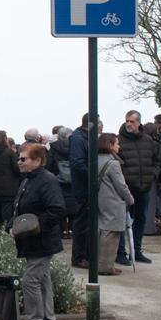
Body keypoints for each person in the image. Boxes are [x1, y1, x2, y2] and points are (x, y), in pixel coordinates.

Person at [12, 143, 66, 320]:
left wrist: (34, 226)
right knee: (42, 281)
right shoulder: (29, 179)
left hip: (42, 240)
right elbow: (20, 206)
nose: (19, 162)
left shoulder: (47, 181)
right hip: (32, 241)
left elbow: (57, 209)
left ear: (38, 161)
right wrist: (16, 226)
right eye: (19, 158)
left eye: (23, 159)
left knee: (30, 280)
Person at [117, 111, 157, 264]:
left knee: (140, 219)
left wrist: (153, 174)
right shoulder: (119, 140)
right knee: (122, 221)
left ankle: (137, 251)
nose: (129, 124)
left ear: (139, 122)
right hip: (127, 187)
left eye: (132, 121)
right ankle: (120, 252)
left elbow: (157, 159)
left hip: (144, 185)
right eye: (127, 120)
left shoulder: (148, 140)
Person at [96, 133, 134, 276]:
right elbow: (121, 186)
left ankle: (102, 264)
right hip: (113, 201)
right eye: (116, 143)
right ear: (110, 145)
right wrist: (130, 199)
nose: (119, 146)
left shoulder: (95, 160)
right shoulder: (113, 163)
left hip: (101, 199)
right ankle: (106, 266)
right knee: (110, 234)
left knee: (103, 232)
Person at [69, 114, 99, 267]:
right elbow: (77, 162)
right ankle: (79, 257)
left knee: (87, 221)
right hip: (83, 187)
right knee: (82, 223)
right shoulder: (78, 138)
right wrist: (94, 176)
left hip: (86, 186)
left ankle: (86, 254)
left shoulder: (84, 137)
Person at [48, 126, 76, 238]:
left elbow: (49, 165)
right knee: (74, 205)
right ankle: (73, 230)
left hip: (58, 181)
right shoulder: (75, 147)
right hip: (74, 181)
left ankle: (62, 230)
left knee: (60, 205)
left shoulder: (53, 148)